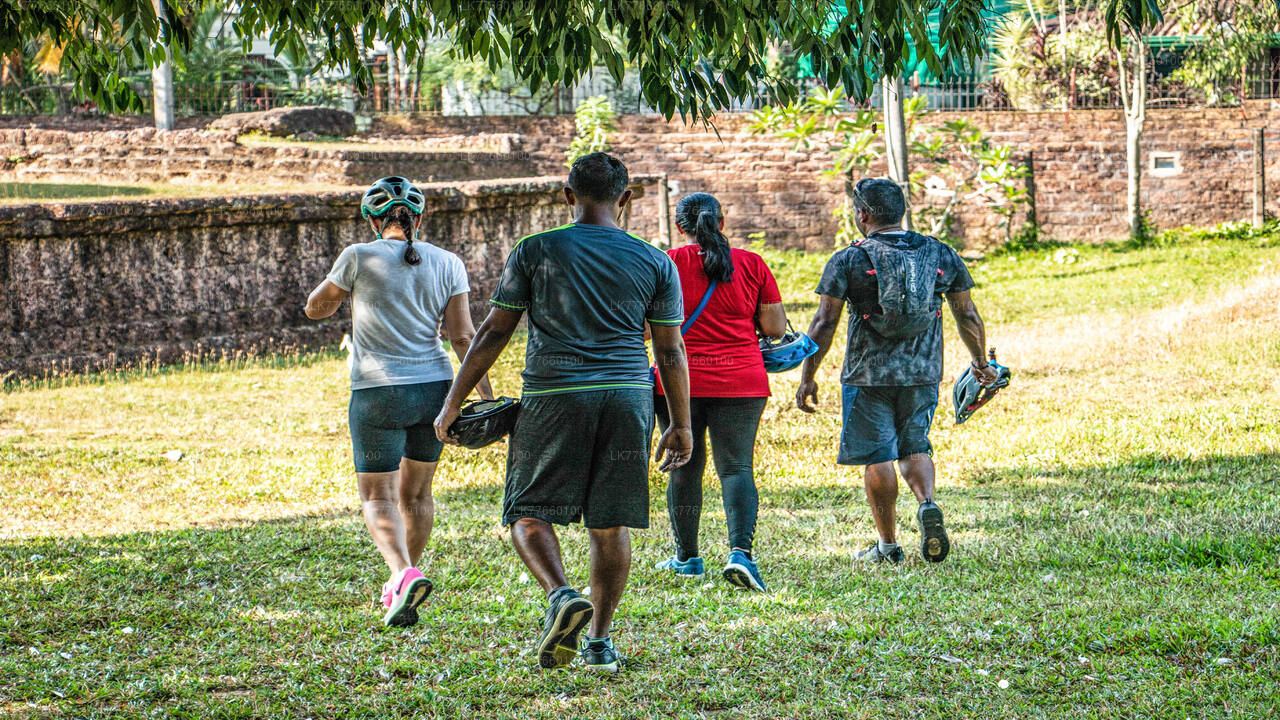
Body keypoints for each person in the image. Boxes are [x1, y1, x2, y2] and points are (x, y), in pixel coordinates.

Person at [434, 152, 693, 674]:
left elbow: (493, 333)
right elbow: (669, 351)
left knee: (527, 512)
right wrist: (680, 424)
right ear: (624, 199)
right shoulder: (656, 261)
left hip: (554, 396)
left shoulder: (534, 251)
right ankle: (598, 641)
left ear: (568, 196)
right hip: (627, 398)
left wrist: (454, 402)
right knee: (609, 522)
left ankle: (559, 595)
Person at [305, 176, 493, 627]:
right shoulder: (448, 262)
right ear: (418, 218)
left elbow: (316, 307)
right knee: (418, 493)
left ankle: (402, 572)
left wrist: (338, 291)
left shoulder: (357, 256)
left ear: (372, 219)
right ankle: (403, 582)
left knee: (377, 497)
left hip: (377, 393)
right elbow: (465, 336)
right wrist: (485, 397)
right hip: (434, 390)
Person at [796, 177, 997, 565]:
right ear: (901, 211)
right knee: (915, 445)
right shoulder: (939, 253)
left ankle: (888, 546)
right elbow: (966, 313)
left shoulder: (849, 259)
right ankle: (927, 503)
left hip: (867, 375)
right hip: (922, 372)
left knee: (878, 456)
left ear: (863, 214)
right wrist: (980, 363)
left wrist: (808, 374)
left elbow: (825, 321)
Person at [652, 192, 787, 592]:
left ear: (680, 228)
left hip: (677, 383)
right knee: (736, 468)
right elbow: (776, 329)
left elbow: (647, 328)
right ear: (722, 223)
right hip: (741, 382)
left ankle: (687, 558)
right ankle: (741, 554)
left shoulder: (667, 264)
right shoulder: (751, 264)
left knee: (683, 466)